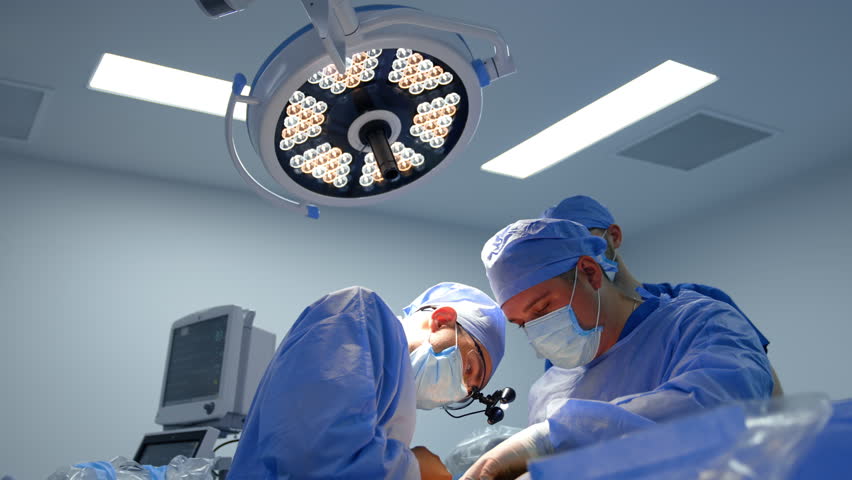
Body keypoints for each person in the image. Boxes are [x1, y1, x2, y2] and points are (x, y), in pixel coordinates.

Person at [462, 218, 773, 480]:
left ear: (590, 272)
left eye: (542, 309)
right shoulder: (548, 392)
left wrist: (552, 437)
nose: (536, 330)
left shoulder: (698, 323)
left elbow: (721, 410)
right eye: (521, 323)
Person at [228, 282, 507, 479]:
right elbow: (319, 457)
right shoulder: (358, 312)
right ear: (442, 320)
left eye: (469, 392)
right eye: (470, 367)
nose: (461, 387)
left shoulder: (394, 393)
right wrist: (415, 469)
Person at [542, 195, 782, 395]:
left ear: (614, 237)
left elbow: (764, 388)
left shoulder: (699, 305)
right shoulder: (572, 336)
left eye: (581, 243)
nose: (575, 259)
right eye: (560, 254)